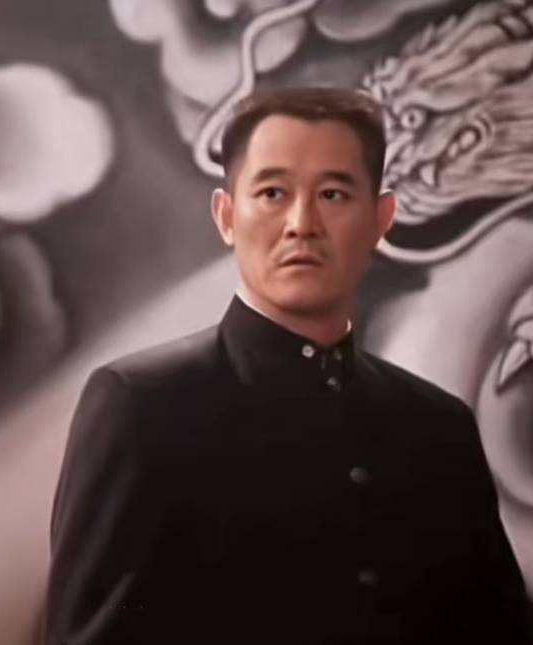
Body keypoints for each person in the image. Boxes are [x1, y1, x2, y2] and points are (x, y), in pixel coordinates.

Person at [43, 86, 532, 644]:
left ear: (382, 218)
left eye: (333, 194)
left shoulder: (440, 427)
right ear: (227, 216)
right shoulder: (140, 405)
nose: (302, 223)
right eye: (273, 192)